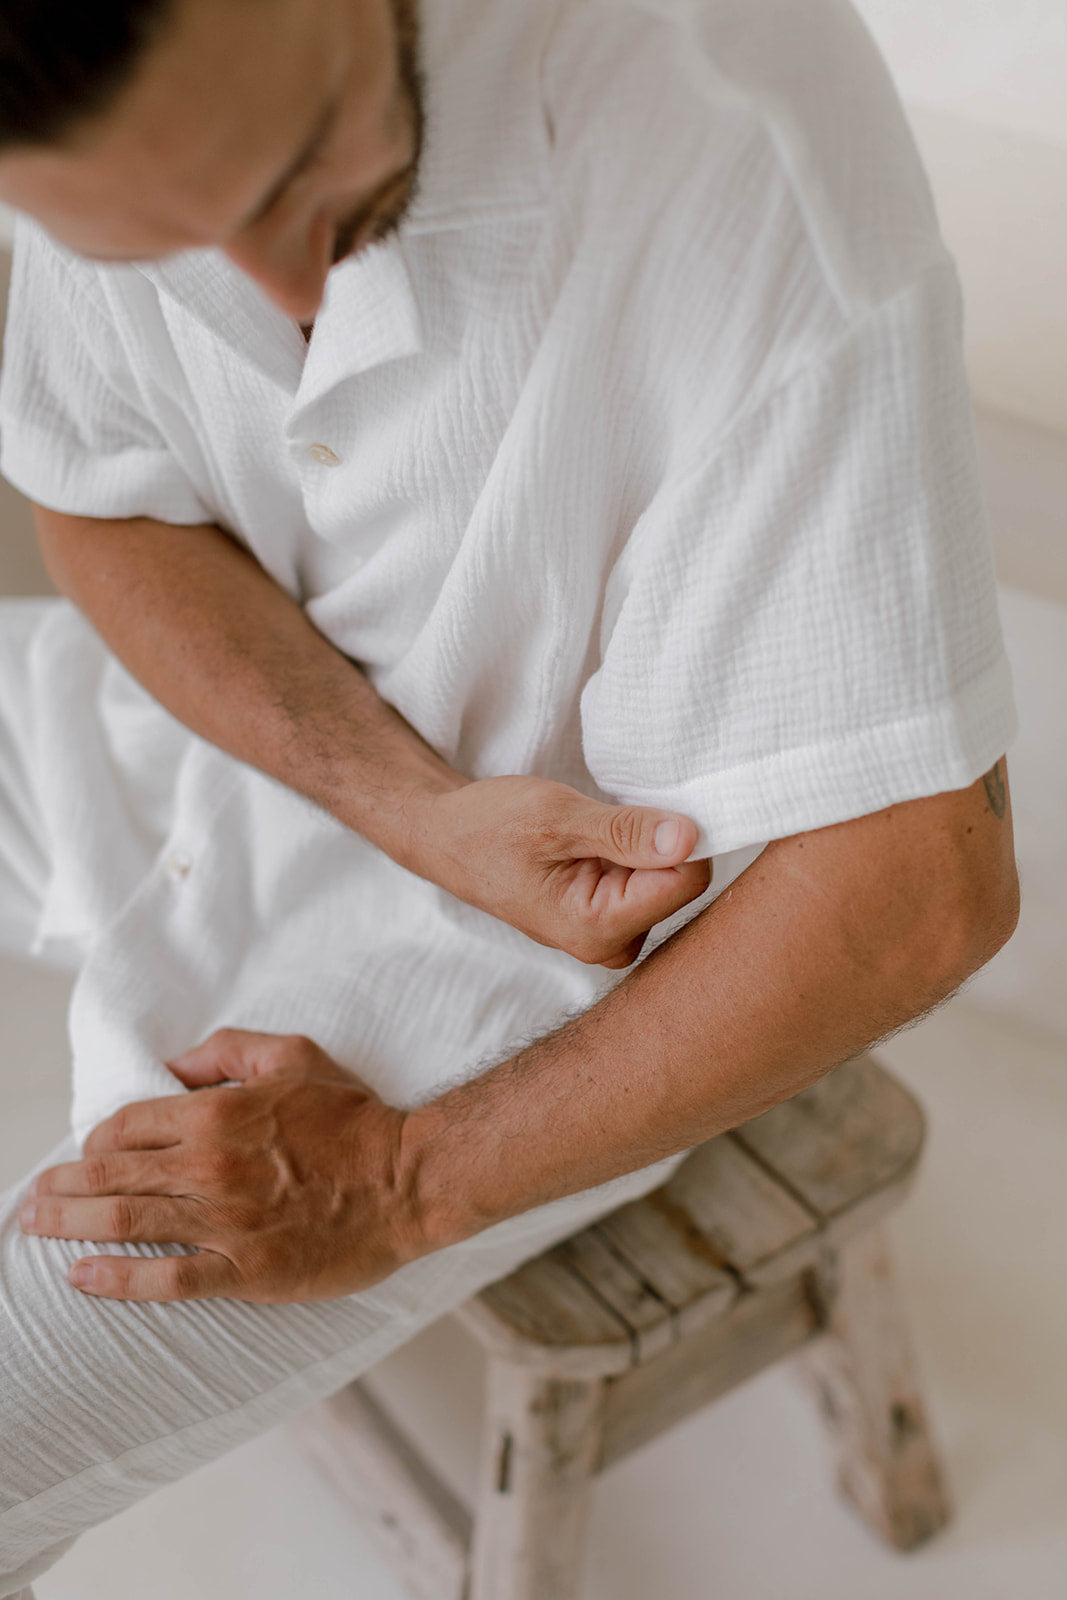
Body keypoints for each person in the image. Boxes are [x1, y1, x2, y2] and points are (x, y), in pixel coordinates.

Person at [0, 0, 1019, 1590]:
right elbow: (100, 502)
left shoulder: (736, 130)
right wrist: (406, 801)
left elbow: (928, 882)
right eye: (162, 251)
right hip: (238, 747)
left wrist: (399, 1184)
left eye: (288, 179)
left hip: (537, 971)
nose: (274, 287)